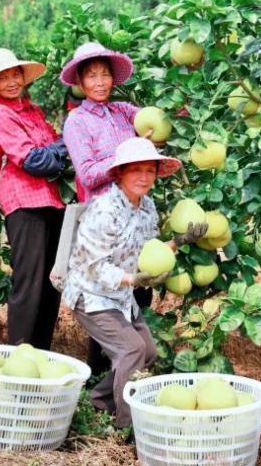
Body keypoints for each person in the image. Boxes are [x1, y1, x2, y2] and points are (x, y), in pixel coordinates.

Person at [62, 137, 207, 431]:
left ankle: (99, 401)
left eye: (150, 171)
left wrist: (178, 241)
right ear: (120, 173)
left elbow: (148, 251)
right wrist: (133, 279)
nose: (144, 177)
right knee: (131, 351)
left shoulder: (148, 207)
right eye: (135, 170)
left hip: (120, 295)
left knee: (148, 353)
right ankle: (127, 427)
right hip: (91, 294)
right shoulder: (105, 209)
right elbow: (95, 266)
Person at [60, 42, 161, 378]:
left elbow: (163, 121)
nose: (100, 81)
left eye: (105, 74)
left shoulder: (124, 111)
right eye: (92, 76)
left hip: (134, 214)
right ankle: (104, 377)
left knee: (134, 297)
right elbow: (87, 172)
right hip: (102, 222)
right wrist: (124, 155)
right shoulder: (77, 122)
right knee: (102, 296)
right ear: (81, 82)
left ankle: (120, 376)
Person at [0, 48, 69, 351]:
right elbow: (35, 161)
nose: (12, 82)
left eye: (15, 75)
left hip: (54, 201)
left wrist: (57, 150)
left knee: (52, 282)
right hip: (24, 203)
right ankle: (20, 355)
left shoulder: (33, 111)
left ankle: (41, 354)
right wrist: (63, 149)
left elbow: (53, 149)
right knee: (29, 283)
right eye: (4, 78)